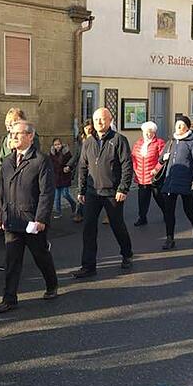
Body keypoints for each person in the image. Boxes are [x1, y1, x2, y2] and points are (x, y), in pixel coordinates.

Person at [0, 120, 58, 313]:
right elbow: (1, 191)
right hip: (12, 219)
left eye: (17, 134)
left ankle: (51, 283)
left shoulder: (40, 160)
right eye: (11, 134)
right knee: (12, 261)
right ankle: (9, 298)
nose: (12, 137)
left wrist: (41, 219)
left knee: (40, 256)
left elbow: (47, 192)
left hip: (31, 220)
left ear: (30, 136)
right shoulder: (7, 162)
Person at [72, 107, 134, 278]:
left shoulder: (119, 140)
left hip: (112, 192)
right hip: (92, 192)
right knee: (88, 228)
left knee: (117, 226)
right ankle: (88, 266)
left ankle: (127, 253)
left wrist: (123, 188)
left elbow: (127, 166)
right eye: (96, 119)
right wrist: (81, 190)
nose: (99, 122)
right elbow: (83, 167)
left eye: (103, 119)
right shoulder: (88, 142)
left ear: (110, 120)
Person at [159, 116, 193, 250]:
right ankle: (169, 238)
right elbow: (161, 159)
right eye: (177, 125)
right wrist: (164, 158)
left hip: (186, 181)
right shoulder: (171, 141)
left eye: (181, 125)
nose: (178, 127)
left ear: (187, 127)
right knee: (169, 211)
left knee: (188, 209)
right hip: (170, 181)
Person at [131, 121, 165, 226]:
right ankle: (142, 218)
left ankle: (167, 213)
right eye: (146, 132)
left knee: (159, 198)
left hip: (154, 177)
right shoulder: (138, 143)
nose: (148, 134)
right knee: (142, 200)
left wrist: (156, 170)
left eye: (150, 132)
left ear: (154, 133)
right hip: (141, 177)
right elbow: (133, 158)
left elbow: (163, 159)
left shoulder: (159, 143)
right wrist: (134, 170)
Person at [66, 119, 94, 223]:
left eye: (90, 129)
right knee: (80, 191)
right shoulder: (81, 140)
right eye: (86, 129)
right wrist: (69, 165)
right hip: (81, 169)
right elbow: (77, 155)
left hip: (93, 170)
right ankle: (79, 213)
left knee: (93, 192)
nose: (88, 131)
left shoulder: (96, 139)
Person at [49, 137, 76, 218]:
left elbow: (72, 162)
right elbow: (50, 164)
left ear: (61, 144)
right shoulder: (51, 154)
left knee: (65, 194)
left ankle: (73, 204)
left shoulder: (66, 152)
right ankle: (58, 212)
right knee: (56, 197)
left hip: (64, 176)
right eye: (55, 145)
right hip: (56, 177)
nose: (57, 146)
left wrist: (68, 168)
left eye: (58, 144)